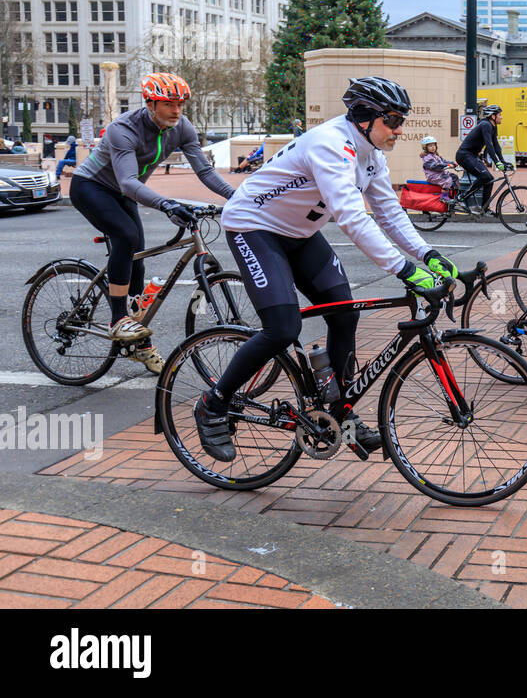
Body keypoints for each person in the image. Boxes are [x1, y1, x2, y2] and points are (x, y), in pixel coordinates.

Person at [193, 76, 459, 463]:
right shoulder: (331, 143)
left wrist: (427, 253)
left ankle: (338, 415)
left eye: (402, 121)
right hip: (254, 227)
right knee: (282, 329)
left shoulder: (371, 153)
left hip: (300, 233)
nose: (400, 130)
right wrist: (405, 270)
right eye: (394, 120)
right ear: (365, 116)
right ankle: (213, 403)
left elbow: (387, 212)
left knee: (344, 314)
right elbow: (352, 218)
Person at [70, 73, 236, 374]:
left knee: (139, 262)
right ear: (150, 103)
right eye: (169, 104)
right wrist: (166, 204)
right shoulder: (124, 129)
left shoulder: (181, 127)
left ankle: (138, 342)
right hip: (91, 187)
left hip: (123, 193)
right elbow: (129, 182)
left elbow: (205, 172)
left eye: (180, 104)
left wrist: (236, 196)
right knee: (126, 235)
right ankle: (118, 319)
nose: (176, 111)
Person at [457, 104, 506, 213]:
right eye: (500, 115)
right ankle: (462, 197)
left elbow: (496, 145)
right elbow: (489, 145)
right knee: (484, 176)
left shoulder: (493, 126)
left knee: (489, 179)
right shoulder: (485, 125)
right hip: (464, 155)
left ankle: (484, 208)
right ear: (493, 116)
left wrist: (503, 161)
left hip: (472, 156)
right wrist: (497, 162)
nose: (501, 117)